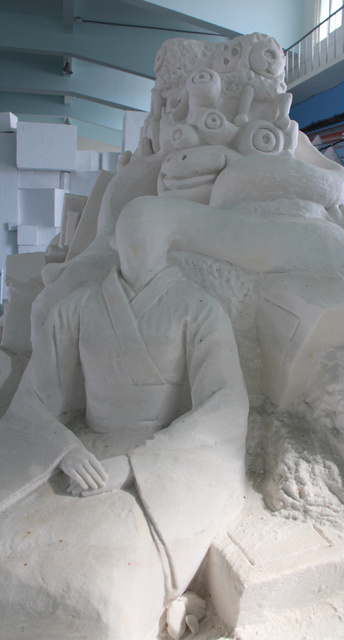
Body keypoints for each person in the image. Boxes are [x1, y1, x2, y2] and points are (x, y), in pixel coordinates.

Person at [0, 203, 249, 639]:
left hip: (153, 465)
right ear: (114, 241)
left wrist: (134, 466)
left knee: (104, 591)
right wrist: (63, 448)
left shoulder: (199, 310)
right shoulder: (76, 308)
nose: (137, 245)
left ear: (168, 241)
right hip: (81, 451)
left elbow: (224, 405)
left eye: (148, 235)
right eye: (128, 235)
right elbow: (34, 400)